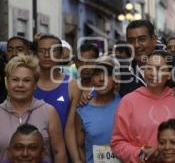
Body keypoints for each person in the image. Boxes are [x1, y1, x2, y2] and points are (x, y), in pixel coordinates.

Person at [111, 50, 175, 163]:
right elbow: (117, 143)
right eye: (149, 68)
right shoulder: (128, 101)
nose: (153, 73)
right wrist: (141, 153)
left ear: (169, 74)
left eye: (159, 69)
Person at [0, 54, 67, 162]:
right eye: (15, 80)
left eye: (26, 80)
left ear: (35, 84)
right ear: (7, 82)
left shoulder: (48, 112)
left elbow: (59, 152)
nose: (20, 85)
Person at [33, 34, 81, 163]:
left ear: (60, 55)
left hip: (62, 156)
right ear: (36, 54)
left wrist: (76, 159)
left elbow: (70, 128)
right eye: (42, 51)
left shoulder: (72, 85)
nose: (47, 55)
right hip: (30, 155)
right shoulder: (27, 83)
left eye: (53, 50)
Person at [119, 19, 175, 98]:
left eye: (142, 39)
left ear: (154, 39)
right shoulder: (122, 73)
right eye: (131, 40)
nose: (136, 45)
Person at [76, 56, 121, 163]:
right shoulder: (82, 108)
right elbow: (79, 146)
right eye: (97, 74)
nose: (102, 79)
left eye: (108, 74)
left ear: (116, 78)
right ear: (91, 78)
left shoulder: (126, 105)